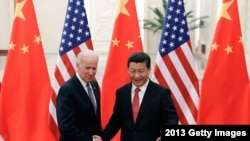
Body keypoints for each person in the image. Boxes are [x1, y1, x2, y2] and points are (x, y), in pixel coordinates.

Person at [101, 52, 179, 141]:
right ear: (128, 70)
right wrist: (102, 138)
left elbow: (171, 119)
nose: (137, 75)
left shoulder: (161, 93)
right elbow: (115, 122)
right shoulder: (122, 93)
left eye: (141, 71)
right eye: (133, 71)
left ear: (149, 69)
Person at [56, 49, 102, 141]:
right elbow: (66, 127)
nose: (91, 72)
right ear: (77, 66)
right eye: (87, 68)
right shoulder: (67, 90)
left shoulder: (94, 85)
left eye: (94, 68)